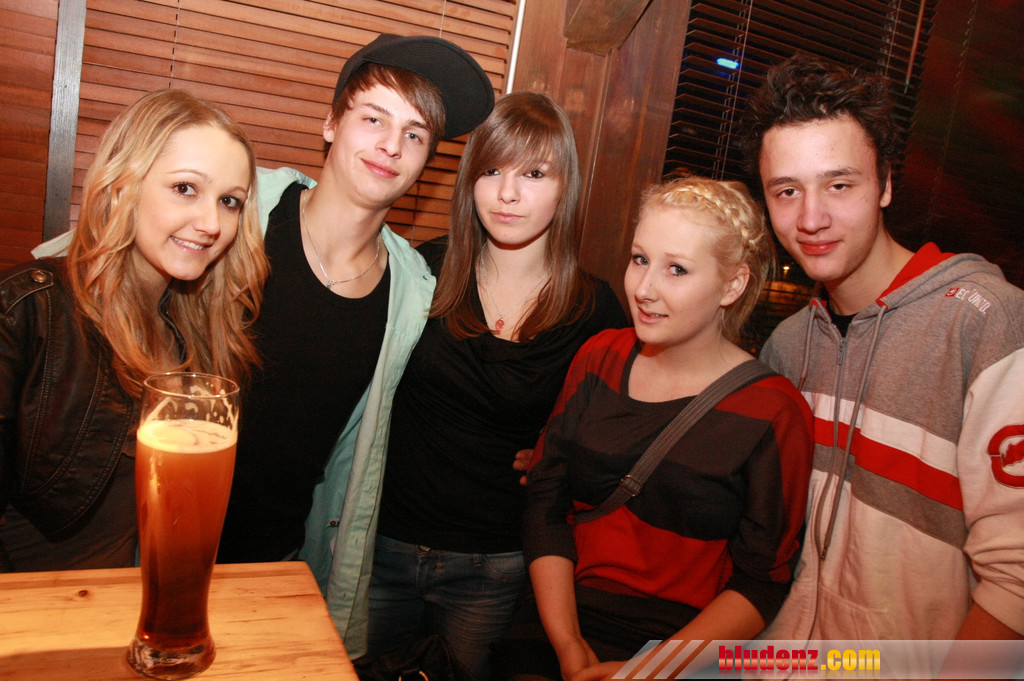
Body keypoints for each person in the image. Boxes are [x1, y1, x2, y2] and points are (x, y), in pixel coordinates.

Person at [211, 34, 494, 658]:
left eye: (415, 134)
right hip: (148, 545)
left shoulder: (412, 293)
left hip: (279, 572)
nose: (392, 145)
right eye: (374, 119)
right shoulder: (239, 209)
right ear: (331, 124)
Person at [740, 53, 1024, 643]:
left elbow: (1016, 580)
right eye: (787, 191)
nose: (811, 218)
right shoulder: (788, 346)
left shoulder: (984, 323)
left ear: (886, 184)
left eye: (839, 185)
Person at [493, 176, 814, 681]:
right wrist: (569, 644)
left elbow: (761, 581)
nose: (643, 289)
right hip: (558, 621)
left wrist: (650, 670)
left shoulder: (772, 410)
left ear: (733, 285)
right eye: (640, 259)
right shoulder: (601, 356)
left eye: (676, 269)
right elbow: (546, 502)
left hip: (680, 648)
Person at [364, 91, 628, 679]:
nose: (507, 193)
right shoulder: (421, 271)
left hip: (497, 564)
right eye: (491, 171)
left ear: (564, 187)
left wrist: (563, 454)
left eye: (533, 174)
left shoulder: (595, 307)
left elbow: (624, 431)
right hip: (384, 548)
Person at [0, 89, 268, 572]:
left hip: (132, 600)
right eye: (185, 188)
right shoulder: (27, 311)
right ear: (122, 185)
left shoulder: (197, 332)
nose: (211, 223)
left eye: (229, 201)